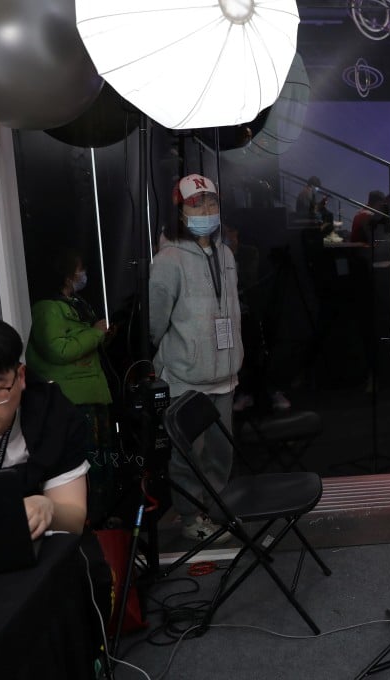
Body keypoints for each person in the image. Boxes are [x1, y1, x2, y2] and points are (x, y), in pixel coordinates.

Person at [150, 173, 243, 543]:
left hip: (225, 376)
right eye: (196, 203)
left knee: (221, 454)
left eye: (211, 202)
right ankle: (191, 517)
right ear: (181, 211)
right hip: (186, 379)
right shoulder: (169, 259)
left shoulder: (225, 253)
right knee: (187, 455)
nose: (205, 209)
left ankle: (216, 511)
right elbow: (154, 323)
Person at [0, 315, 90, 539]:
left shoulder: (52, 417)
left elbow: (74, 518)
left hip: (39, 552)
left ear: (21, 377)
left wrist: (48, 508)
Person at [26, 248, 118, 528]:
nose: (83, 274)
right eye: (79, 269)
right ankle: (88, 520)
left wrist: (103, 336)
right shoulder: (46, 308)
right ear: (66, 273)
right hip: (72, 399)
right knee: (85, 463)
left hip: (94, 393)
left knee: (104, 461)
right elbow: (58, 350)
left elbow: (86, 346)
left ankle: (105, 516)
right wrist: (95, 333)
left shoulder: (77, 303)